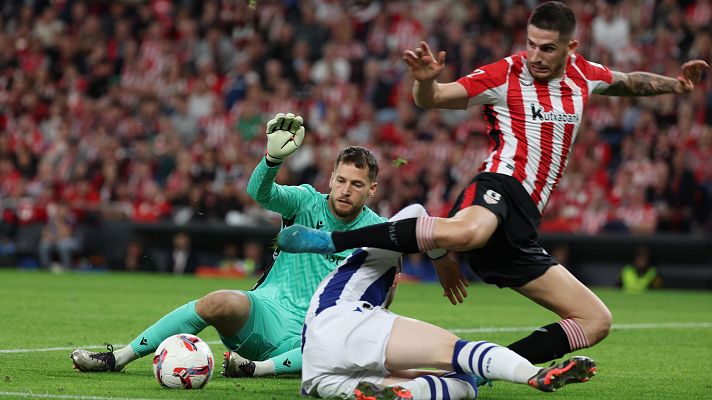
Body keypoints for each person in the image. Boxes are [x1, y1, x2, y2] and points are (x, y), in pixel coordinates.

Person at [277, 1, 709, 365]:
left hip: (524, 224)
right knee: (471, 229)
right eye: (531, 44)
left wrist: (678, 85)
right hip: (499, 186)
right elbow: (438, 98)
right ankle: (331, 240)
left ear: (570, 47)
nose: (536, 55)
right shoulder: (505, 73)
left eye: (548, 48)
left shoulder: (584, 75)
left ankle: (485, 366)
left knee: (596, 321)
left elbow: (629, 82)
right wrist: (425, 83)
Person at [70, 113, 389, 378]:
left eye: (357, 184)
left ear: (371, 189)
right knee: (218, 301)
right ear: (331, 179)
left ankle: (255, 369)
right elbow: (260, 194)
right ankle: (118, 358)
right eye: (342, 181)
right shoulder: (305, 201)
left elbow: (384, 290)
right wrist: (272, 159)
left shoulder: (377, 232)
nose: (346, 190)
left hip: (312, 334)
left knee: (337, 344)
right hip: (266, 313)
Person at [302, 203, 596, 400]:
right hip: (340, 322)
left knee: (465, 384)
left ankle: (408, 394)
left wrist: (257, 367)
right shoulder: (372, 256)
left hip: (317, 374)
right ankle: (536, 374)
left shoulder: (328, 298)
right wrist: (440, 258)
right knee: (458, 352)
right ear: (397, 277)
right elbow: (415, 211)